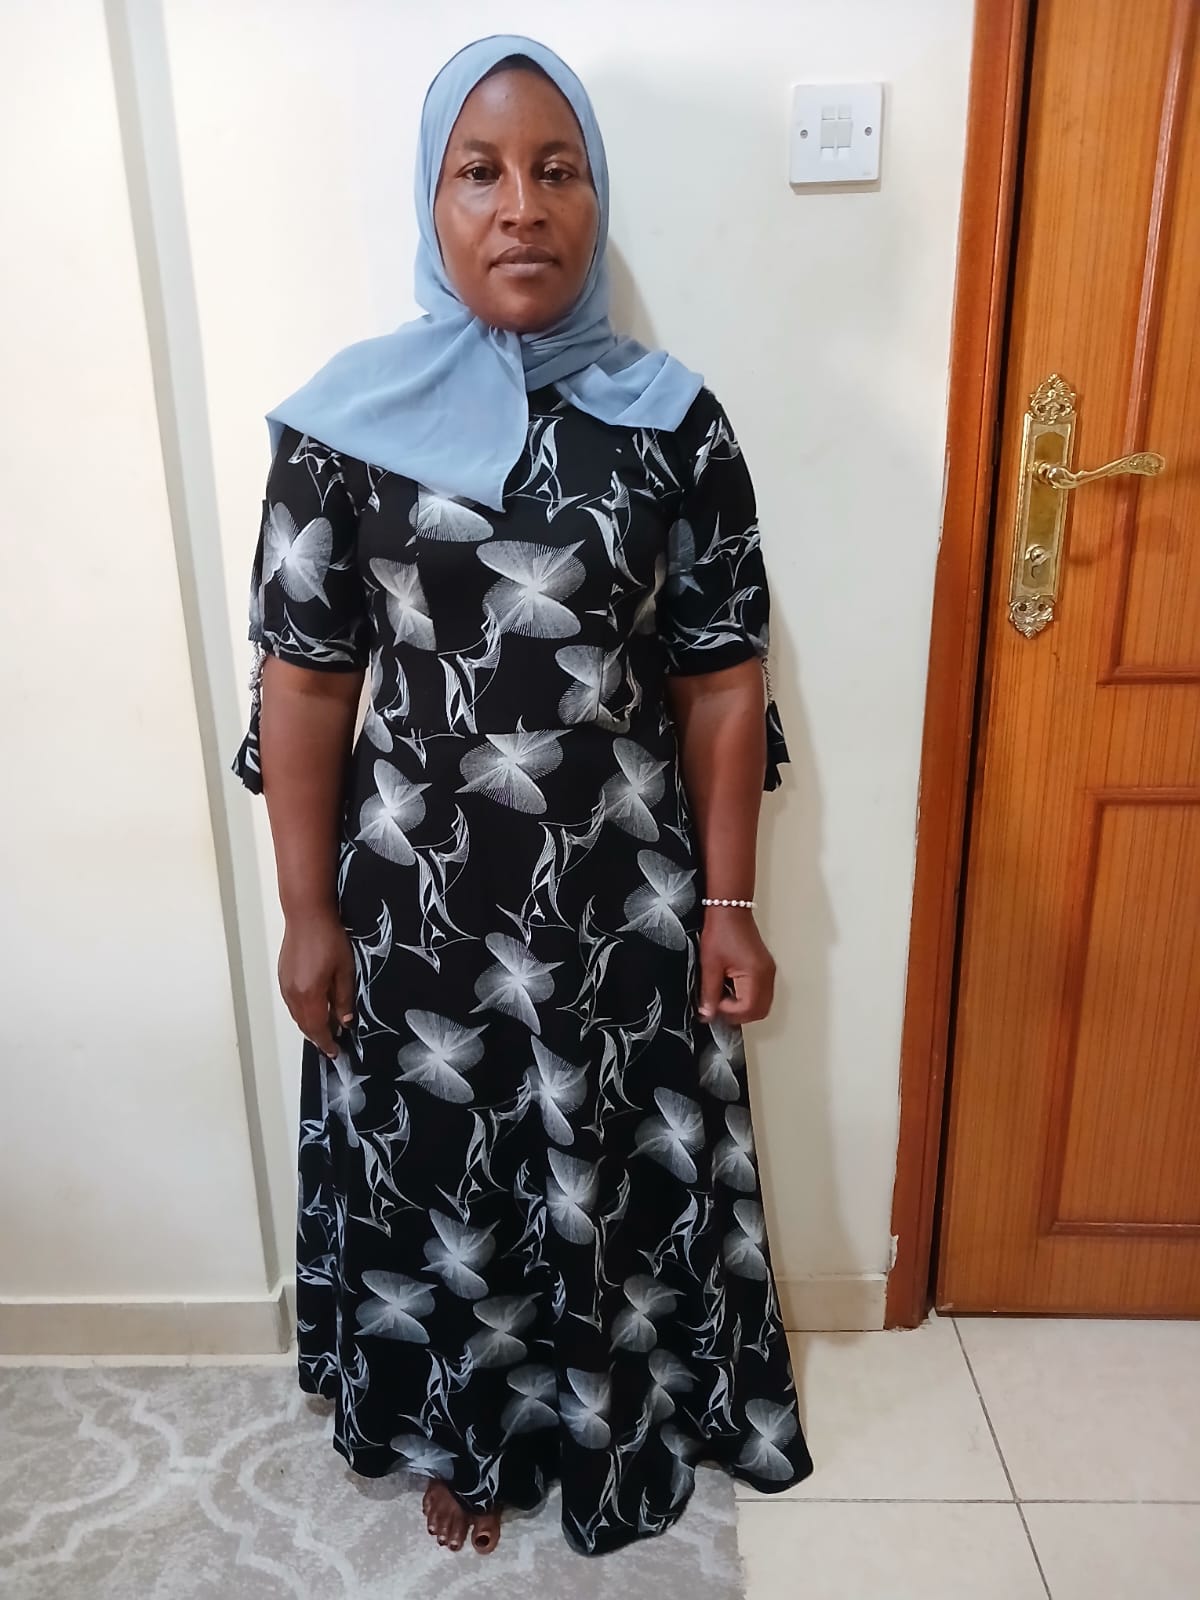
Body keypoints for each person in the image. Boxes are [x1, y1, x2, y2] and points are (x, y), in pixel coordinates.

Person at [232, 32, 813, 1559]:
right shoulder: (344, 431)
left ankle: (614, 1411)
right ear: (431, 204)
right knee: (444, 1178)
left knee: (608, 1165)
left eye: (557, 171)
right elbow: (305, 686)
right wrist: (305, 914)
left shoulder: (672, 423)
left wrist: (731, 904)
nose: (521, 206)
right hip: (418, 914)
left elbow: (720, 678)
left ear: (596, 196)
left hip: (620, 907)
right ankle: (463, 1433)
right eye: (478, 173)